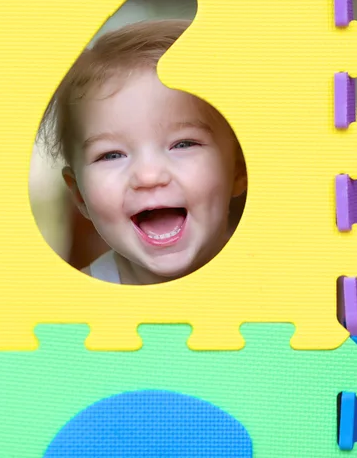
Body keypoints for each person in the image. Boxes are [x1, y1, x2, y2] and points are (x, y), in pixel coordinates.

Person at [38, 19, 247, 285]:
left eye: (183, 144)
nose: (148, 176)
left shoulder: (272, 283)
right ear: (79, 193)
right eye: (111, 155)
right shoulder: (75, 305)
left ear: (239, 169)